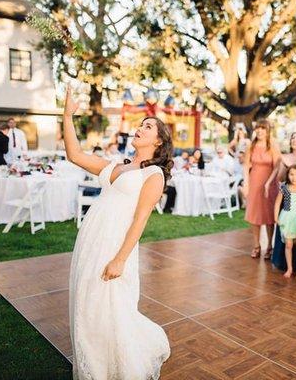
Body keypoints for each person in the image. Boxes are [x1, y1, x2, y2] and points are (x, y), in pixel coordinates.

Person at [63, 87, 171, 378]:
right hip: (92, 238)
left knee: (107, 304)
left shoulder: (154, 175)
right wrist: (67, 114)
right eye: (140, 125)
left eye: (148, 127)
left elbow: (140, 221)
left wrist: (121, 259)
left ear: (158, 141)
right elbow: (74, 154)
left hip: (115, 244)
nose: (140, 128)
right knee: (86, 299)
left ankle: (107, 367)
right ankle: (92, 362)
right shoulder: (117, 166)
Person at [269, 132, 296, 271]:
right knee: (287, 235)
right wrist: (283, 165)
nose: (295, 140)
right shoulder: (283, 157)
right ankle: (284, 263)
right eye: (293, 138)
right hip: (287, 198)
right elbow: (281, 178)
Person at [243, 119, 281, 259]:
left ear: (267, 131)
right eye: (258, 128)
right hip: (254, 183)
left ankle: (269, 246)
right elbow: (246, 166)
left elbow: (277, 166)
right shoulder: (251, 146)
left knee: (269, 216)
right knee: (255, 216)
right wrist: (246, 184)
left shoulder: (272, 146)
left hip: (269, 184)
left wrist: (268, 183)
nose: (259, 131)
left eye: (262, 128)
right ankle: (256, 246)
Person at [274, 164, 296, 279]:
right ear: (288, 175)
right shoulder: (284, 187)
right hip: (287, 218)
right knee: (288, 245)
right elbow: (278, 203)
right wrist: (275, 217)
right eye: (291, 174)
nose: (294, 177)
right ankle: (290, 268)